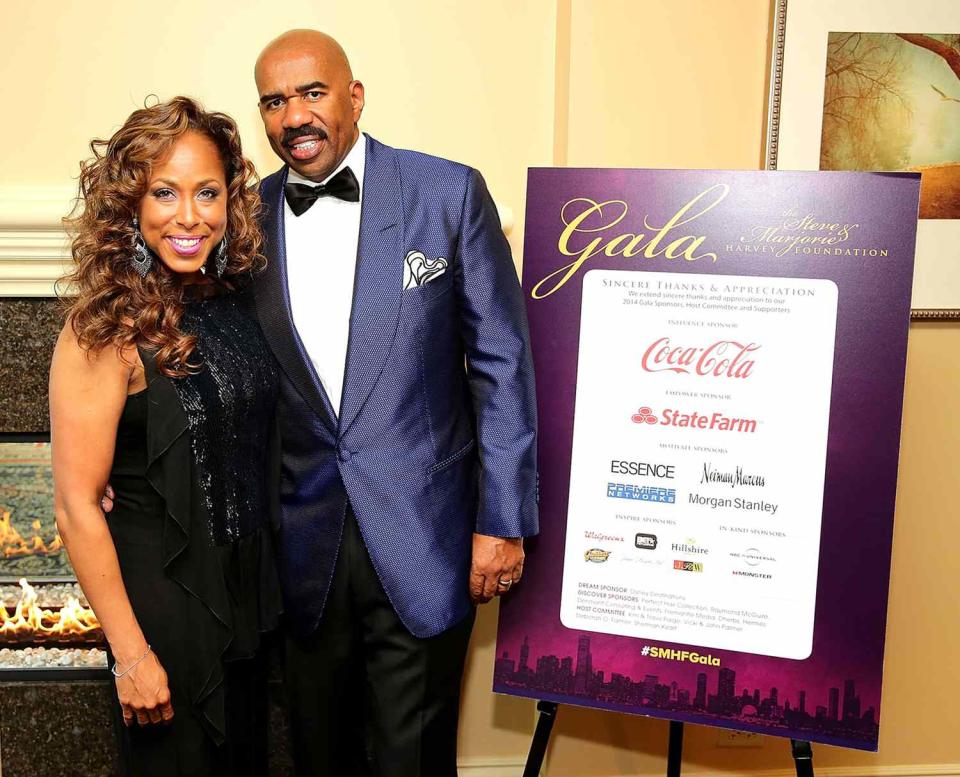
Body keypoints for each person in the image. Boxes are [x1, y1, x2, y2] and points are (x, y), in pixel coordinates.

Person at [250, 30, 538, 776]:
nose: (294, 116)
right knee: (319, 757)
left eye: (312, 92)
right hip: (301, 549)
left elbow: (501, 365)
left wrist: (501, 521)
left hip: (424, 538)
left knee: (410, 759)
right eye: (275, 101)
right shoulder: (243, 220)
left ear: (354, 95)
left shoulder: (447, 194)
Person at [50, 96, 281, 776]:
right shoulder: (102, 329)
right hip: (161, 608)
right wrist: (131, 652)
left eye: (207, 193)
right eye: (165, 193)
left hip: (242, 599)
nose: (189, 216)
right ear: (131, 203)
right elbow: (74, 505)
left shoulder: (232, 301)